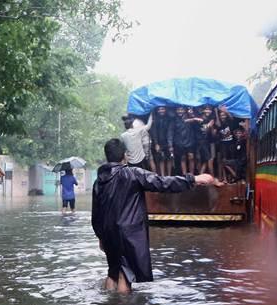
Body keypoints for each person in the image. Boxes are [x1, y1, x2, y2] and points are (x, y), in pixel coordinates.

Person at [91, 139, 215, 294]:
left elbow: (96, 213)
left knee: (113, 271)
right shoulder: (133, 173)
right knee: (125, 274)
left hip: (108, 233)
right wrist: (193, 179)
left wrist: (101, 237)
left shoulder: (99, 181)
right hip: (128, 233)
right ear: (125, 156)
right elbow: (162, 183)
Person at [149, 106, 173, 176]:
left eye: (162, 109)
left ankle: (169, 175)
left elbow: (170, 132)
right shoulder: (155, 119)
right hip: (159, 142)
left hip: (167, 141)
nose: (161, 111)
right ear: (157, 111)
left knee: (169, 159)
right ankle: (162, 176)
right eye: (159, 109)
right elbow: (154, 132)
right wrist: (156, 143)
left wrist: (170, 144)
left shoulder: (169, 118)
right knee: (161, 159)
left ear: (165, 109)